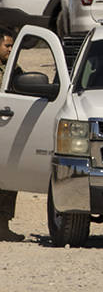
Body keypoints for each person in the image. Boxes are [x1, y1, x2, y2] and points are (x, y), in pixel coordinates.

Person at [0, 28, 23, 242]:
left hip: (7, 130)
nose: (10, 49)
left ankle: (3, 225)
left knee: (8, 178)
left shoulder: (14, 70)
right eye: (7, 45)